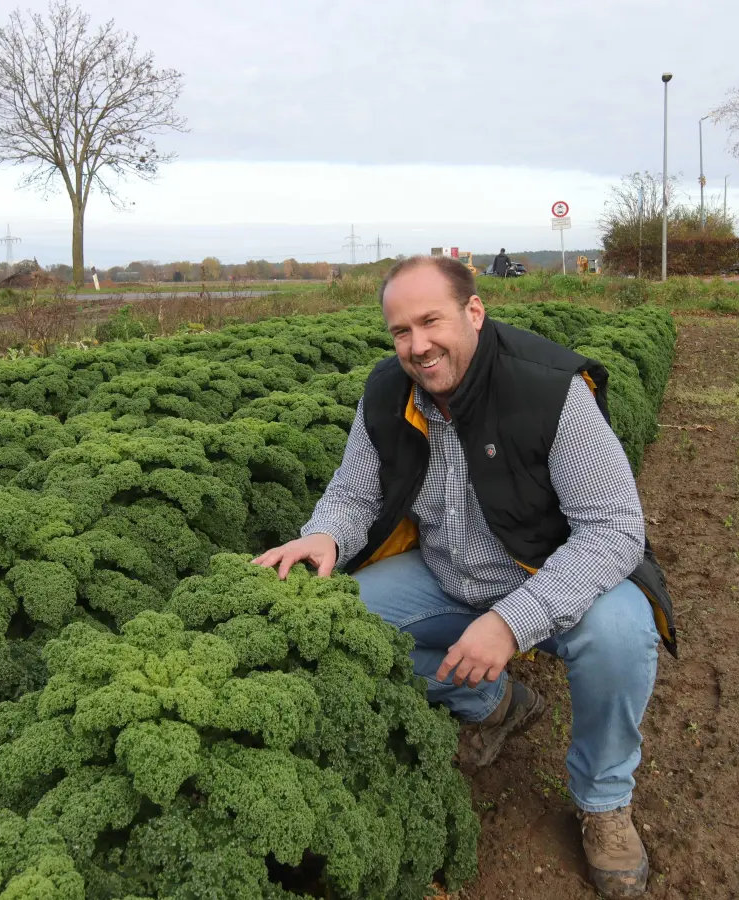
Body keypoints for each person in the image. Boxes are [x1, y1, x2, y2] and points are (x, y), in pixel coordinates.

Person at [253, 255, 676, 898]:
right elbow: (354, 493)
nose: (418, 345)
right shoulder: (388, 393)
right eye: (401, 331)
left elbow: (613, 529)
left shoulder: (548, 390)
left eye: (432, 322)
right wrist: (325, 534)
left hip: (545, 574)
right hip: (445, 572)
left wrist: (511, 622)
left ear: (473, 312)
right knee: (338, 627)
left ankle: (604, 799)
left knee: (621, 633)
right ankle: (494, 703)